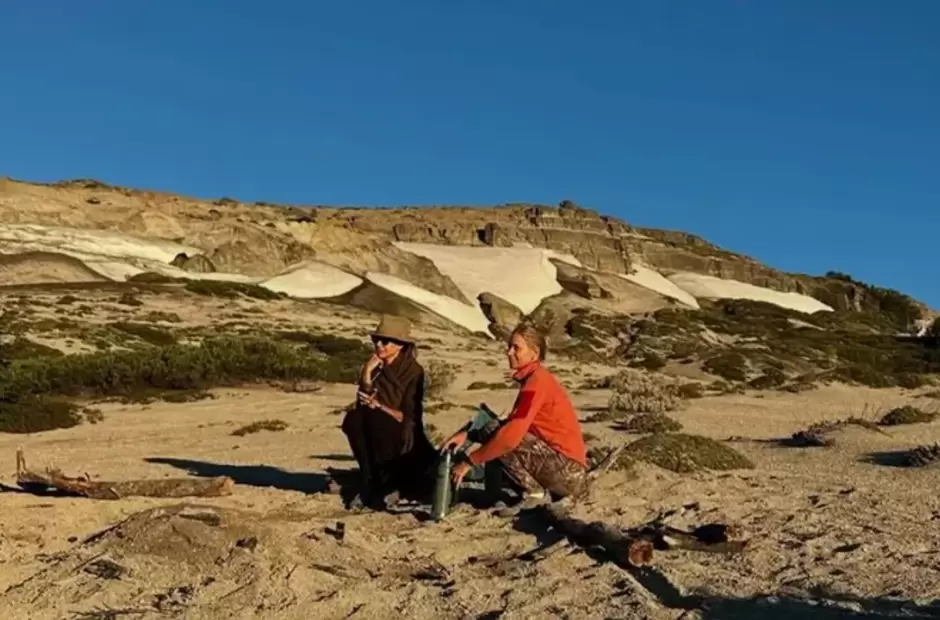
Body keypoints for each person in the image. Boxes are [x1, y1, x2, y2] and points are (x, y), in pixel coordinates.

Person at [443, 323, 588, 515]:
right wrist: (469, 436)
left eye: (516, 348)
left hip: (568, 473)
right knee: (495, 428)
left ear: (534, 354)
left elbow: (512, 434)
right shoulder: (535, 379)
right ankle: (502, 494)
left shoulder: (536, 383)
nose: (509, 352)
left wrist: (470, 462)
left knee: (500, 433)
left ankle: (533, 494)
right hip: (569, 470)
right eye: (509, 347)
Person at [341, 315, 435, 510]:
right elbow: (362, 402)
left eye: (385, 341)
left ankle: (388, 483)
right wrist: (366, 372)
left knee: (375, 419)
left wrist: (379, 406)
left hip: (400, 429)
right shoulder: (375, 367)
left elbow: (409, 416)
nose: (379, 345)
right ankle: (369, 479)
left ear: (400, 345)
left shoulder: (413, 371)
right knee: (353, 419)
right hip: (371, 421)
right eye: (376, 340)